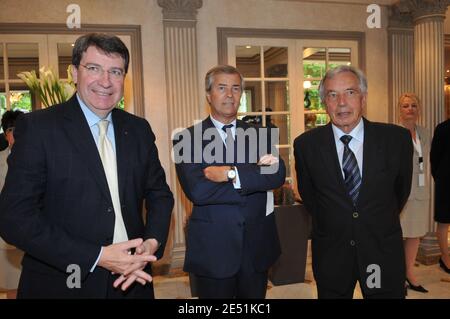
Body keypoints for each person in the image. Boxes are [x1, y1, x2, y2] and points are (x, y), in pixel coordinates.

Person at [0, 33, 174, 298]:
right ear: (73, 72)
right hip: (63, 284)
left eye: (116, 71)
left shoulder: (138, 129)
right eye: (94, 68)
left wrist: (150, 244)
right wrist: (97, 256)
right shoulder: (38, 128)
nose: (105, 81)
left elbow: (160, 195)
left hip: (132, 281)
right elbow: (14, 219)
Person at [294, 65, 413, 299]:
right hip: (332, 255)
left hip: (380, 253)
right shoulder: (306, 145)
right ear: (324, 102)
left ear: (363, 98)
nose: (341, 103)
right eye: (332, 95)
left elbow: (400, 192)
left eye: (350, 92)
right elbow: (311, 199)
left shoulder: (395, 140)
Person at [174, 65, 286, 298]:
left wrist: (231, 174)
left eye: (236, 88)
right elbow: (199, 191)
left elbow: (276, 174)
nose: (230, 95)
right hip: (214, 248)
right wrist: (254, 175)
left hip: (257, 246)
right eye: (222, 88)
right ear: (208, 94)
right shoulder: (187, 139)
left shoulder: (259, 134)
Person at [398, 93, 430, 293]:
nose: (410, 109)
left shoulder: (425, 133)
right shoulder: (393, 133)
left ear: (419, 109)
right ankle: (397, 276)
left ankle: (409, 272)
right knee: (398, 235)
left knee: (415, 235)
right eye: (405, 106)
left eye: (414, 105)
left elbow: (424, 162)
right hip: (402, 192)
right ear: (399, 110)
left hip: (420, 190)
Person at [0, 110, 24, 290]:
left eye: (19, 128)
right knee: (10, 287)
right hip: (5, 242)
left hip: (34, 238)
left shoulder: (39, 156)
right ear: (5, 133)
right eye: (10, 129)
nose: (15, 132)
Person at [430, 118, 450, 275]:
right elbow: (434, 158)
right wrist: (441, 177)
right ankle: (445, 257)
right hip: (446, 181)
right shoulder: (443, 128)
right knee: (444, 220)